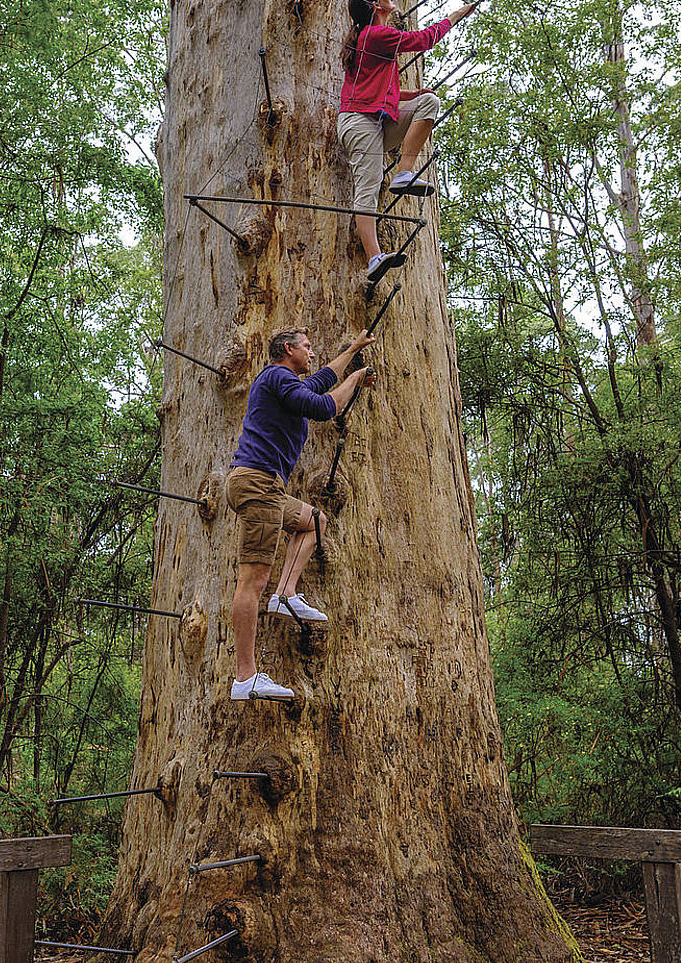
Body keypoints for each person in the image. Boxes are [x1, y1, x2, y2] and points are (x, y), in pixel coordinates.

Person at [226, 327, 377, 701]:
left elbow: (324, 378)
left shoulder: (286, 383)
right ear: (288, 349)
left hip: (269, 488)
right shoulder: (277, 376)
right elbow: (326, 406)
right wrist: (356, 378)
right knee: (252, 581)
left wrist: (352, 350)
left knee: (314, 522)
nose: (312, 353)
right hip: (257, 483)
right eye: (307, 347)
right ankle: (245, 677)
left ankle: (286, 594)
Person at [338, 0, 479, 285]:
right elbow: (424, 39)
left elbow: (374, 88)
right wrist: (457, 15)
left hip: (377, 119)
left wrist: (411, 93)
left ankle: (404, 172)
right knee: (368, 185)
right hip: (359, 122)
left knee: (427, 102)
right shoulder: (376, 35)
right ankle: (374, 256)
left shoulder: (368, 38)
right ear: (377, 5)